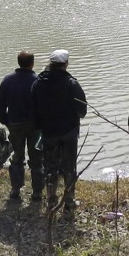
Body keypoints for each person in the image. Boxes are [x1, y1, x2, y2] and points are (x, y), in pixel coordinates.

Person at [30, 49, 86, 214]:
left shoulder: (38, 83)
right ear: (65, 64)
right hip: (69, 132)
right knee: (69, 167)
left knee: (50, 168)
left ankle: (51, 202)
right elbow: (82, 110)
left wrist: (39, 127)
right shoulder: (72, 84)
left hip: (48, 133)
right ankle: (69, 202)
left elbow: (33, 110)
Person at [0, 50, 44, 201]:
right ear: (32, 63)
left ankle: (15, 189)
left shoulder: (7, 80)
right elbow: (44, 106)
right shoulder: (38, 80)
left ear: (18, 62)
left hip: (15, 124)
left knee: (17, 157)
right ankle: (37, 192)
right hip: (35, 127)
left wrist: (5, 121)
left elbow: (0, 105)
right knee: (36, 158)